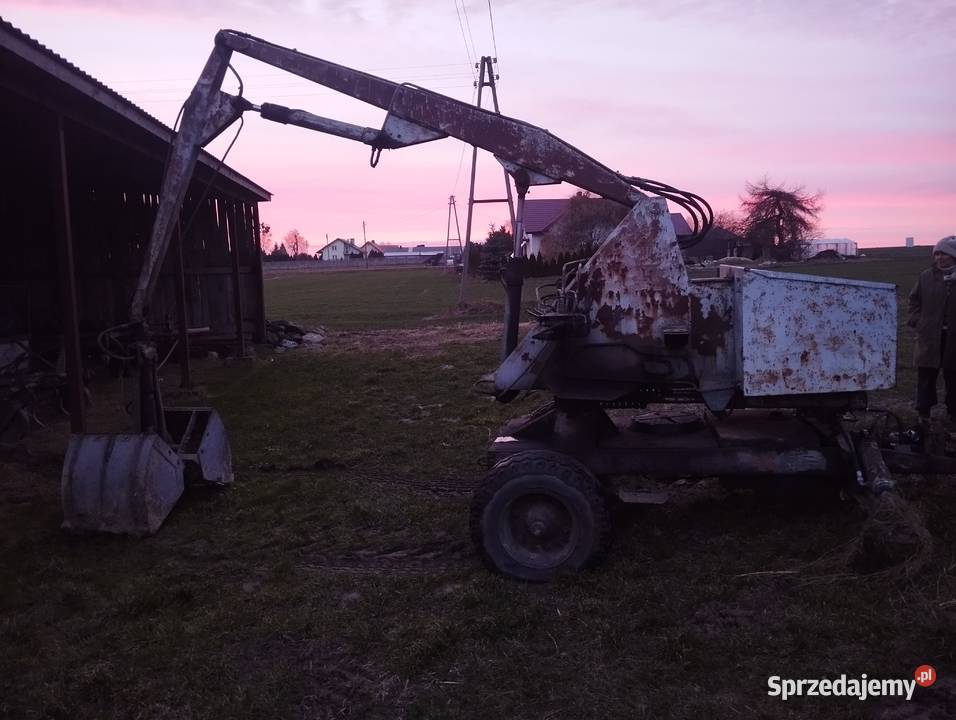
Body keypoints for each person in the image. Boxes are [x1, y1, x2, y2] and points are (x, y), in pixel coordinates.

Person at [908, 235, 956, 419]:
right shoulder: (926, 277)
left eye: (944, 254)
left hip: (953, 338)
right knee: (926, 376)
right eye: (937, 254)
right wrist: (917, 321)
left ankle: (953, 413)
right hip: (929, 336)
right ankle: (923, 413)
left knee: (953, 377)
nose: (939, 258)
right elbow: (914, 301)